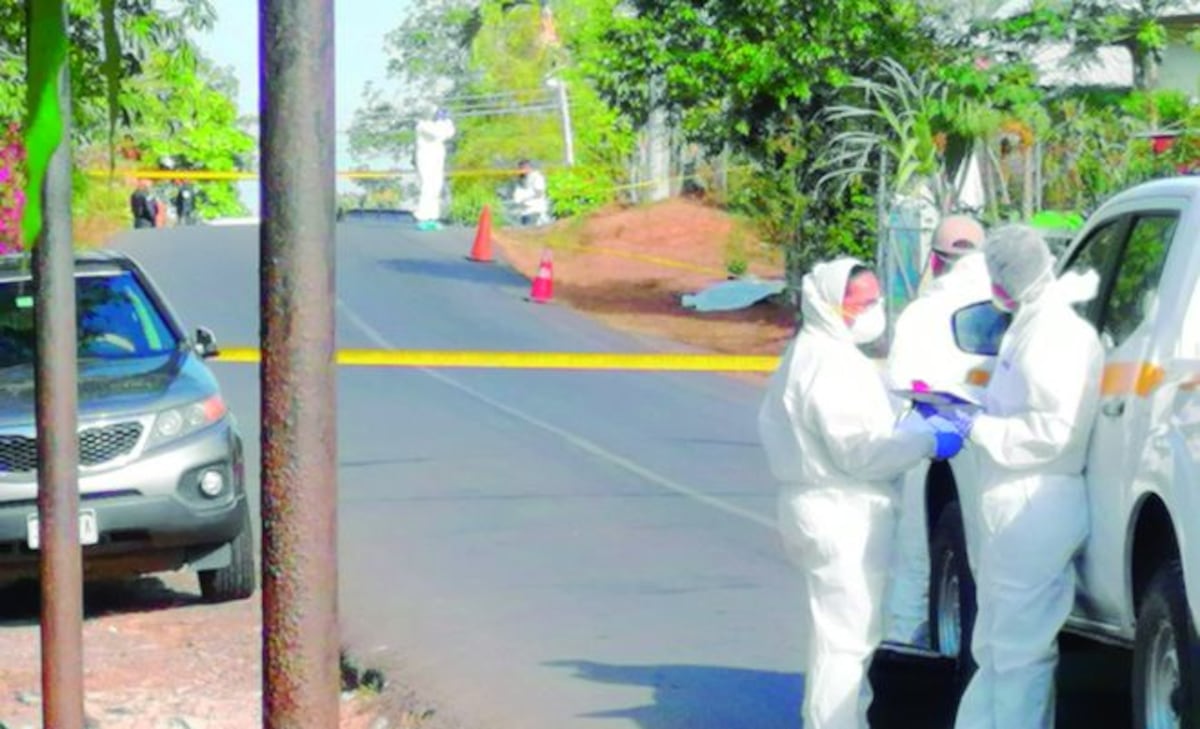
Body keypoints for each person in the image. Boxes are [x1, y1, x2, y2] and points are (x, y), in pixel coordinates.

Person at [758, 257, 965, 729]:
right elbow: (861, 451)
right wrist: (928, 440)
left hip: (825, 505)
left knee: (842, 637)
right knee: (846, 643)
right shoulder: (827, 363)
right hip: (840, 510)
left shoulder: (820, 352)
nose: (874, 311)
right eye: (864, 302)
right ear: (834, 304)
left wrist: (907, 420)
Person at [934, 225, 1103, 729]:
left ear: (1011, 278)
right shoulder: (1031, 326)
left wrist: (977, 426)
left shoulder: (1058, 337)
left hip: (1036, 504)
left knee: (1019, 653)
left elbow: (1053, 431)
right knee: (995, 645)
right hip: (1015, 507)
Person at [882, 214, 991, 647]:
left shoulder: (922, 312)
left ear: (937, 260)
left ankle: (907, 660)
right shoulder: (1010, 311)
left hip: (930, 444)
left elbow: (899, 380)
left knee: (916, 566)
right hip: (995, 449)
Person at [414, 107, 456, 231]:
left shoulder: (436, 125)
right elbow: (439, 133)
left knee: (437, 186)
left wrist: (447, 121)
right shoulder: (422, 126)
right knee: (428, 186)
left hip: (437, 159)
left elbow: (450, 133)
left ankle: (433, 217)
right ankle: (422, 217)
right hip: (426, 159)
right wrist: (444, 122)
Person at [511, 159, 550, 226]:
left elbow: (539, 193)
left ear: (529, 167)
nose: (521, 170)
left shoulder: (537, 177)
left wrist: (525, 199)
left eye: (523, 168)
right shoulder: (521, 179)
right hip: (524, 212)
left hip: (535, 211)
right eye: (520, 168)